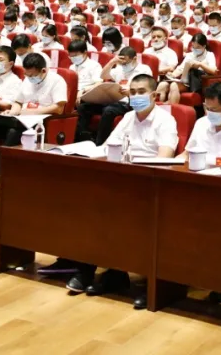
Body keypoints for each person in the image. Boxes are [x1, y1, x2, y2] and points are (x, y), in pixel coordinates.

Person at [66, 73, 180, 305]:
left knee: (128, 216)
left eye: (141, 92)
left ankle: (148, 280)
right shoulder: (127, 118)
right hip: (121, 180)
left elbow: (164, 158)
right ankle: (99, 271)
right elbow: (108, 148)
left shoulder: (166, 121)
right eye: (133, 92)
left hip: (149, 184)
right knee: (90, 208)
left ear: (155, 95)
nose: (136, 96)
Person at [0, 53, 68, 192]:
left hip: (43, 121)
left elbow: (59, 108)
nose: (29, 78)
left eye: (32, 75)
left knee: (14, 132)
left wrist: (32, 112)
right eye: (27, 75)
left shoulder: (57, 81)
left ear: (44, 71)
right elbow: (17, 102)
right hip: (22, 117)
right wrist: (13, 112)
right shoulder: (27, 80)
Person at [157, 33, 218, 104]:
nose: (195, 49)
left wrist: (201, 65)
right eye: (193, 46)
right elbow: (181, 68)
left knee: (174, 85)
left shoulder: (209, 55)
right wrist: (172, 75)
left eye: (198, 47)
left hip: (197, 83)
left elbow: (214, 71)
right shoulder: (190, 55)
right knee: (163, 85)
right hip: (185, 80)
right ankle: (157, 107)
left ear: (204, 46)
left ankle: (172, 109)